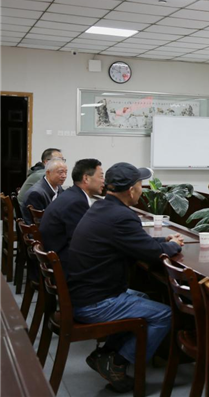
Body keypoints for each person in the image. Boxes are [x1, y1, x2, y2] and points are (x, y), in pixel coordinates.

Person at [67, 162, 183, 392]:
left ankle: (106, 355)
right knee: (165, 315)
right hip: (94, 303)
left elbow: (137, 243)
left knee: (142, 296)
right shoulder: (122, 216)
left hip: (83, 294)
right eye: (140, 185)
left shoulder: (102, 208)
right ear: (131, 190)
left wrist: (164, 241)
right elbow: (152, 253)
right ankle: (119, 362)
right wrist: (173, 246)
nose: (142, 189)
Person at [39, 159, 104, 264]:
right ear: (86, 178)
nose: (103, 181)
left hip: (57, 254)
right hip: (63, 262)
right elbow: (81, 242)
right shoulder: (77, 202)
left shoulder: (72, 194)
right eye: (101, 176)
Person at [21, 157, 67, 223]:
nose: (64, 176)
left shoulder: (58, 187)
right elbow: (38, 222)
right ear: (48, 173)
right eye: (60, 172)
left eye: (66, 172)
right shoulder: (36, 193)